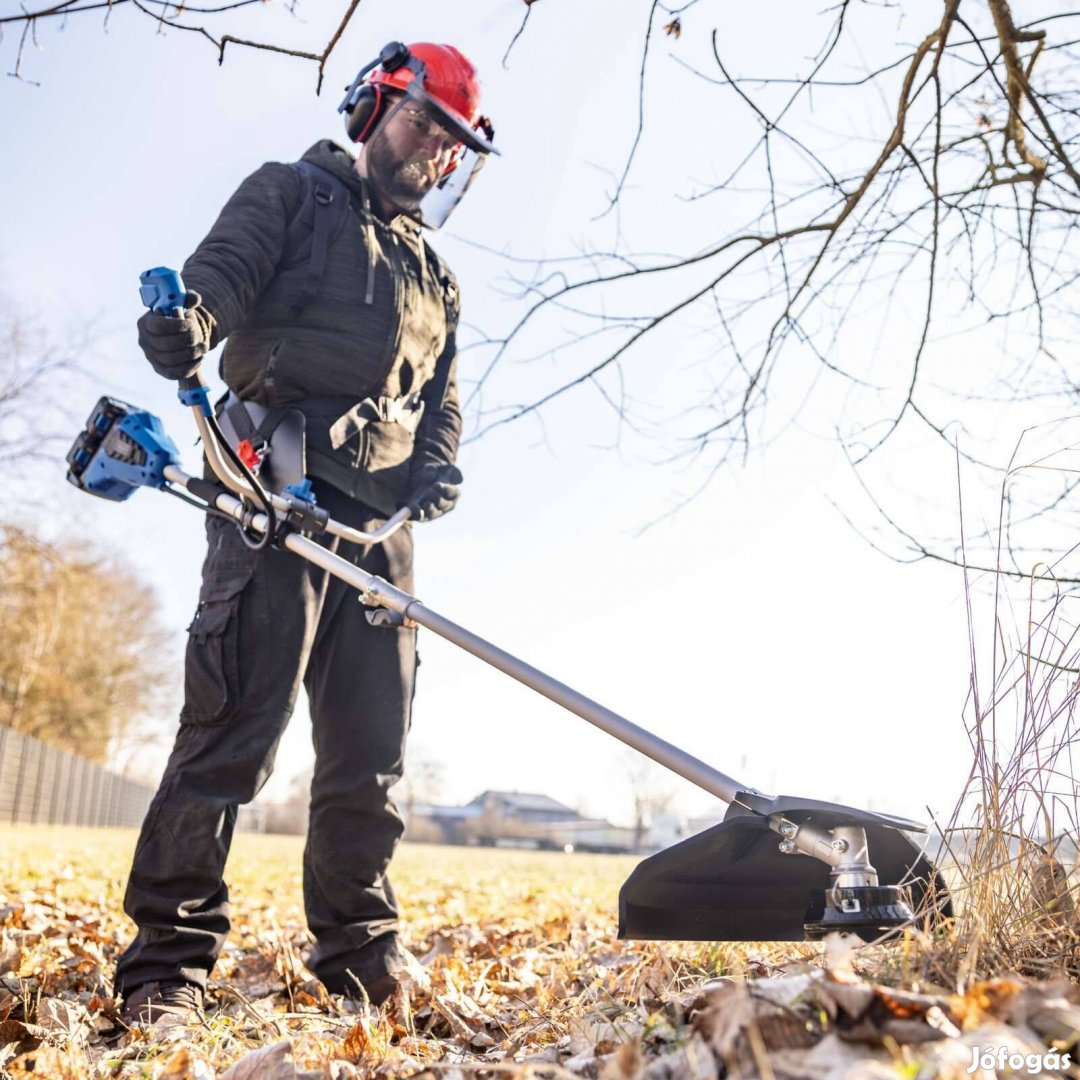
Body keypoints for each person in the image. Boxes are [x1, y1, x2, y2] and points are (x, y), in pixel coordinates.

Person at [114, 41, 498, 1030]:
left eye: (450, 145)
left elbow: (440, 401)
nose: (431, 154)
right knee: (232, 733)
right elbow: (216, 286)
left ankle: (362, 960)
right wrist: (188, 329)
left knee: (369, 761)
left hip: (381, 531)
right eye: (422, 125)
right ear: (375, 108)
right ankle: (167, 964)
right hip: (274, 486)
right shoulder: (291, 193)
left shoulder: (438, 279)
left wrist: (440, 462)